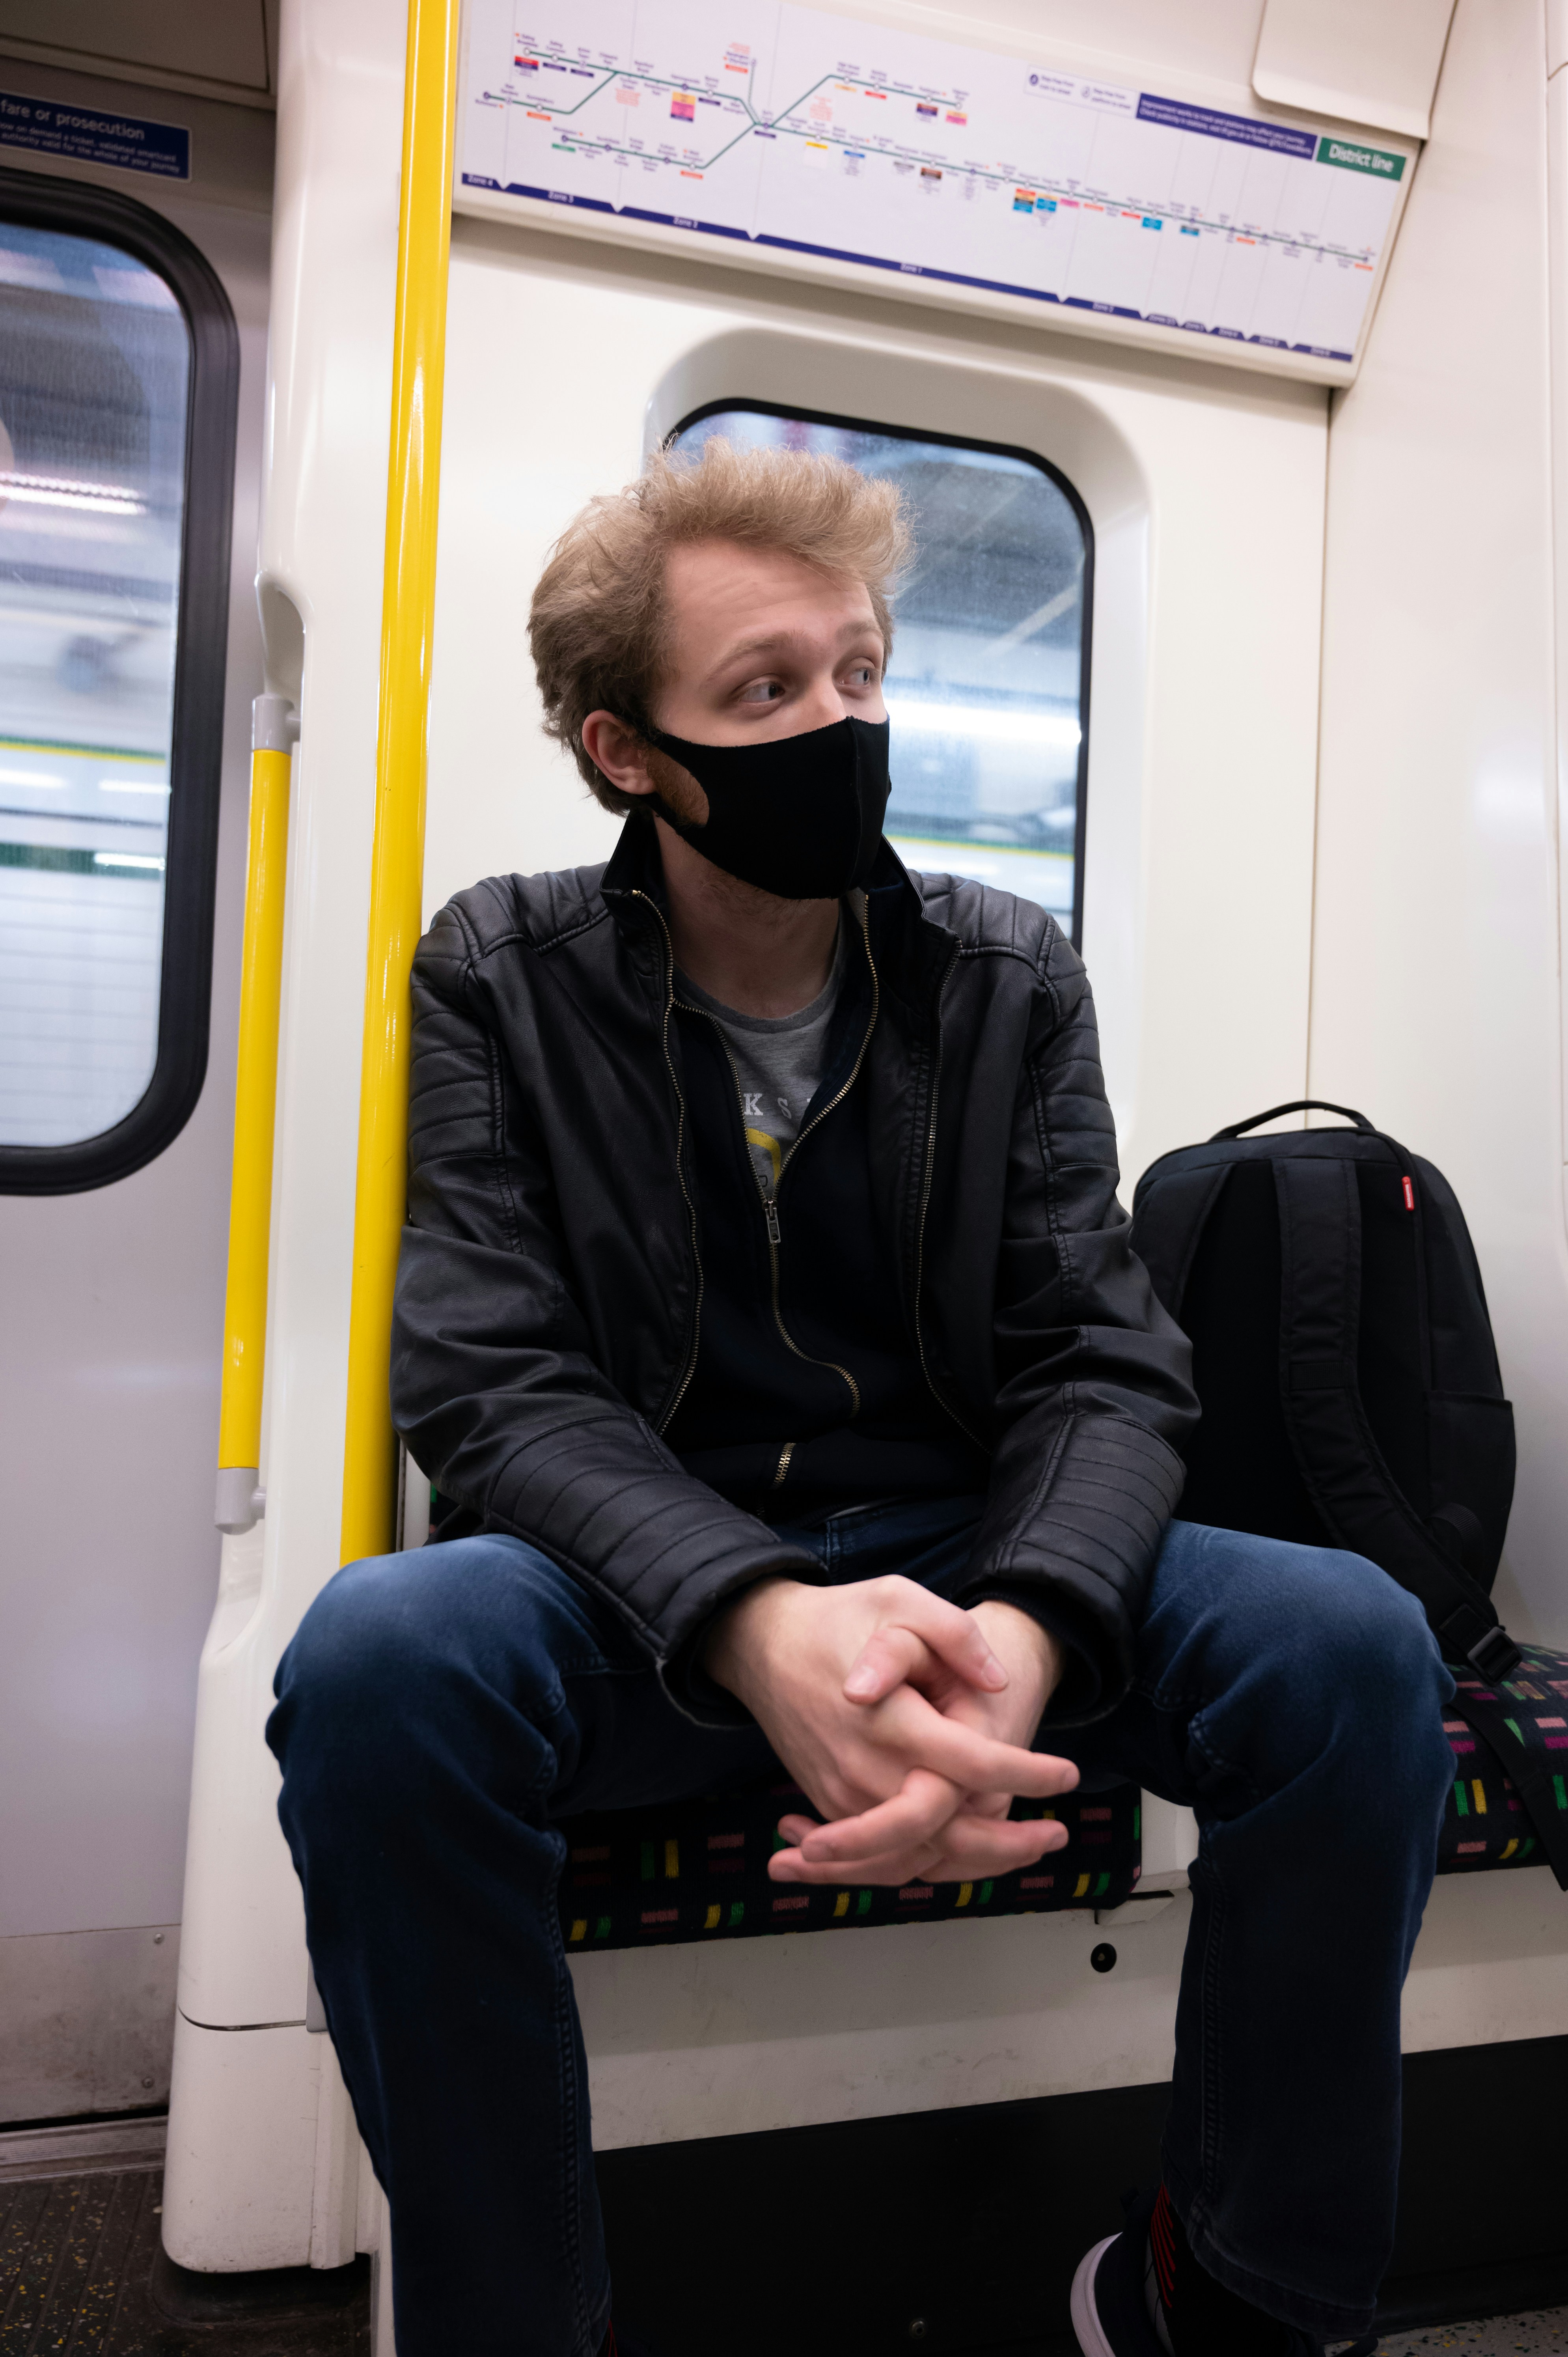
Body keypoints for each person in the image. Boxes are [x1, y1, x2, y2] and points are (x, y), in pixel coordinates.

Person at [267, 439, 1454, 2357]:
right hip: (630, 1599)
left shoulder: (1004, 968)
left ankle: (1233, 2296)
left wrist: (1027, 1617)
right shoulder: (500, 968)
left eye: (859, 671)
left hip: (962, 1547)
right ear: (621, 750)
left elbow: (1097, 1349)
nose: (837, 720)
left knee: (1345, 1643)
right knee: (383, 1660)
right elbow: (485, 1379)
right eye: (764, 689)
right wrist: (752, 1617)